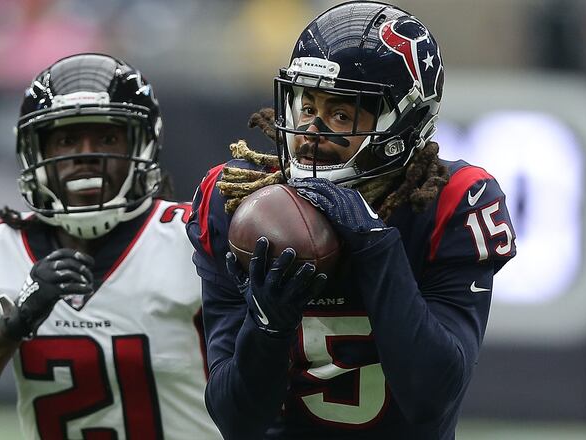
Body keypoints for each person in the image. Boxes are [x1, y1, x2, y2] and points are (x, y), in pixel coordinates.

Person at [187, 2, 516, 439]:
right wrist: (267, 325)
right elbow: (236, 420)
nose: (310, 133)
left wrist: (375, 246)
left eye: (341, 114)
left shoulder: (450, 202)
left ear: (405, 124)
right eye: (307, 108)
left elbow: (430, 398)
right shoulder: (235, 207)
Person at [0, 53, 221, 440]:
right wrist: (15, 323)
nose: (86, 156)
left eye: (108, 137)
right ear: (37, 151)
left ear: (143, 146)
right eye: (66, 139)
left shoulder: (192, 239)